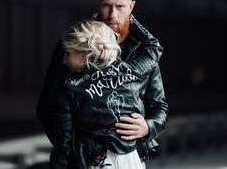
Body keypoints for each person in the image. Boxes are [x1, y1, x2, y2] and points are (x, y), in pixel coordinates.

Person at [36, 0, 168, 164]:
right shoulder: (73, 47)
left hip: (131, 158)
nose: (112, 14)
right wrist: (78, 152)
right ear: (97, 3)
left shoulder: (141, 51)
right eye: (106, 5)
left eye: (120, 6)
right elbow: (47, 108)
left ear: (131, 7)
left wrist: (148, 127)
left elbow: (159, 108)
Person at [49, 19, 162, 168]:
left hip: (96, 163)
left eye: (67, 53)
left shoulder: (69, 87)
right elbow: (154, 47)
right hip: (130, 160)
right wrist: (129, 18)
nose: (64, 61)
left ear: (84, 52)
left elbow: (64, 142)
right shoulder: (129, 71)